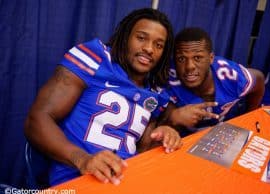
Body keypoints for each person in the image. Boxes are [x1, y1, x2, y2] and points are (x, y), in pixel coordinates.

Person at [24, 8, 182, 186]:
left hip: (125, 181)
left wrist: (163, 136)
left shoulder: (156, 92)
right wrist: (83, 160)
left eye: (158, 45)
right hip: (77, 178)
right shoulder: (96, 59)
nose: (149, 49)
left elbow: (142, 152)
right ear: (125, 37)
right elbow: (36, 120)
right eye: (141, 38)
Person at [165, 27, 265, 134]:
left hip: (225, 131)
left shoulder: (230, 76)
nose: (189, 67)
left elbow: (259, 78)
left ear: (211, 58)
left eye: (197, 58)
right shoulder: (167, 78)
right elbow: (157, 112)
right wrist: (173, 116)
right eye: (181, 59)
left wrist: (248, 116)